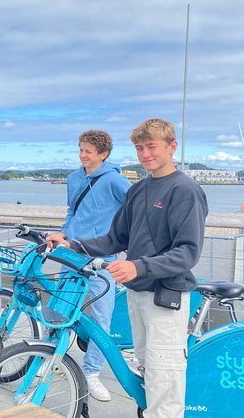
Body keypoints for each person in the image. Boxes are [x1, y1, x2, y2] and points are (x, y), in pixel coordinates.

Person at [50, 119, 207, 418]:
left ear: (172, 147)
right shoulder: (139, 189)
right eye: (139, 148)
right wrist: (73, 245)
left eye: (152, 147)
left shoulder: (185, 190)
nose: (145, 154)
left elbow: (188, 253)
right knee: (148, 371)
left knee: (165, 378)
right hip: (137, 292)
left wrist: (138, 266)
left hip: (165, 296)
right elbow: (116, 238)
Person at [46, 130, 131, 401]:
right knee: (58, 307)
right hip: (71, 252)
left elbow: (134, 212)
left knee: (102, 316)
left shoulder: (116, 180)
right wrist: (63, 233)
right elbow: (72, 210)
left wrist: (124, 245)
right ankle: (47, 357)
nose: (83, 155)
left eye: (89, 152)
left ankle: (92, 372)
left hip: (102, 258)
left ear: (103, 154)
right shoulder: (73, 178)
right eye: (81, 150)